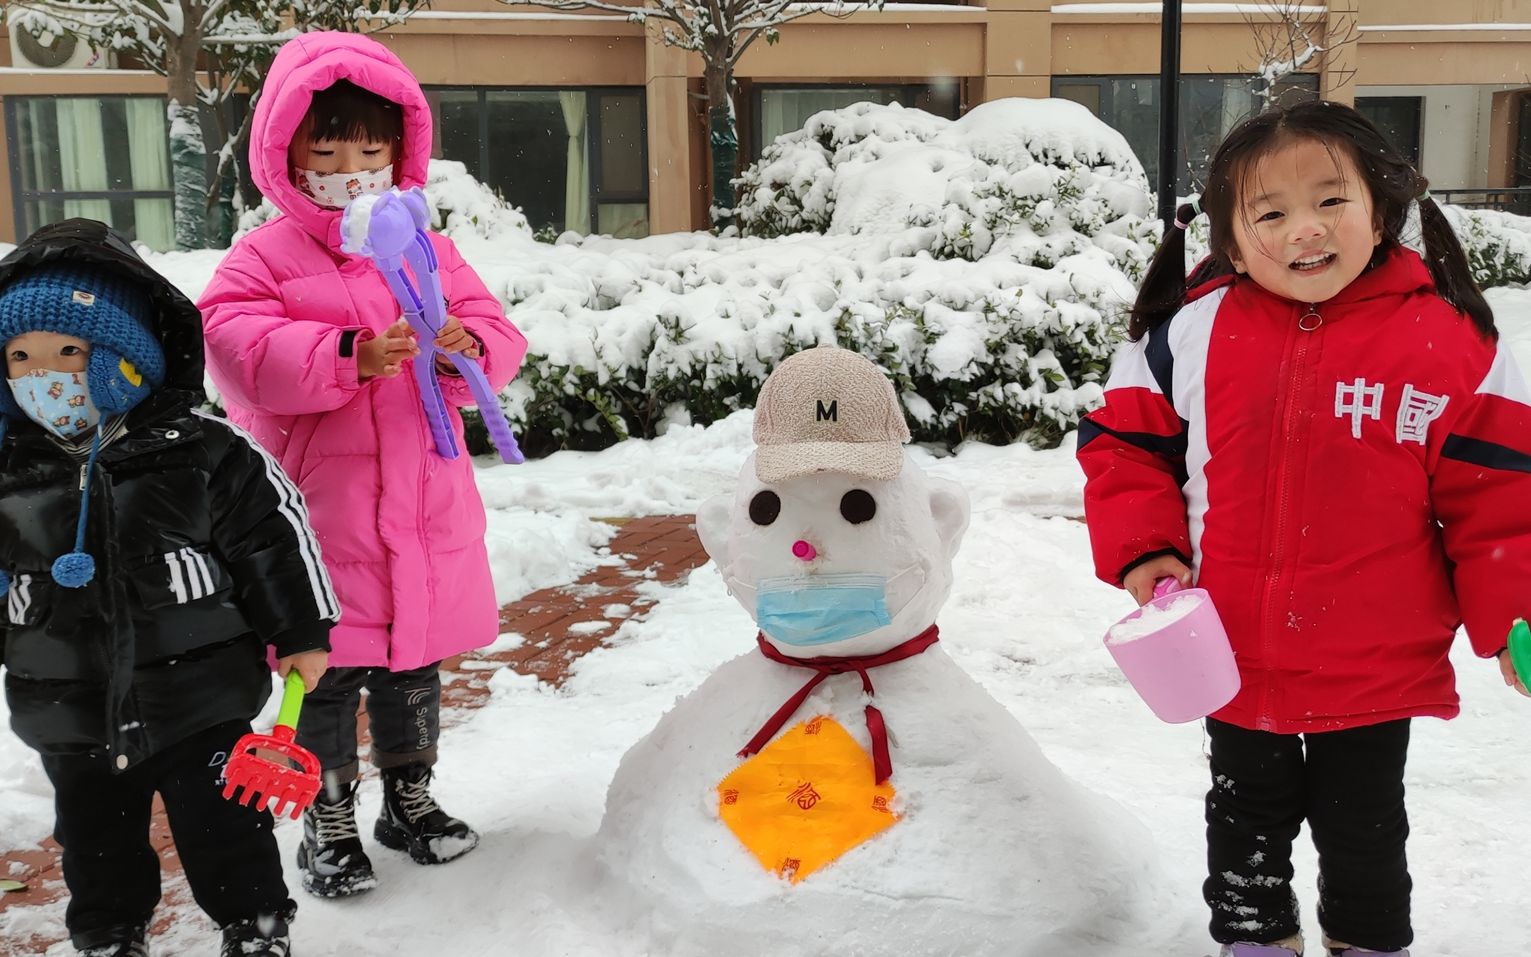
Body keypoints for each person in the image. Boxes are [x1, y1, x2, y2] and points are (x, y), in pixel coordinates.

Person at [1077, 100, 1531, 957]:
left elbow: (1498, 491)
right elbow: (1124, 445)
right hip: (1228, 644)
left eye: (1331, 200)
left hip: (1374, 652)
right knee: (1243, 813)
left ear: (1382, 205)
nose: (1304, 230)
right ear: (1231, 233)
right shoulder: (1187, 331)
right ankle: (1254, 939)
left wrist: (1515, 613)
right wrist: (1147, 550)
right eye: (1270, 212)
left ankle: (1365, 942)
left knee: (1363, 826)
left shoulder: (1446, 336)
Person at [198, 31, 528, 898]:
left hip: (421, 499)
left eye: (371, 150)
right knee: (330, 667)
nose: (351, 167)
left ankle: (410, 797)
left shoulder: (427, 247)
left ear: (400, 153)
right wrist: (347, 352)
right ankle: (329, 812)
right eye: (328, 149)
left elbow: (496, 332)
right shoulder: (263, 258)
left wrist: (466, 348)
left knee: (414, 661)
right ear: (287, 157)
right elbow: (235, 348)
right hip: (323, 507)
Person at [0, 219, 337, 957]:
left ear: (125, 359)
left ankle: (255, 923)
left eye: (68, 353)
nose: (41, 376)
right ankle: (110, 932)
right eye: (19, 358)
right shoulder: (10, 473)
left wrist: (303, 631)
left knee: (225, 827)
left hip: (199, 697)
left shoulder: (203, 452)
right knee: (94, 836)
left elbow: (272, 539)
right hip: (65, 701)